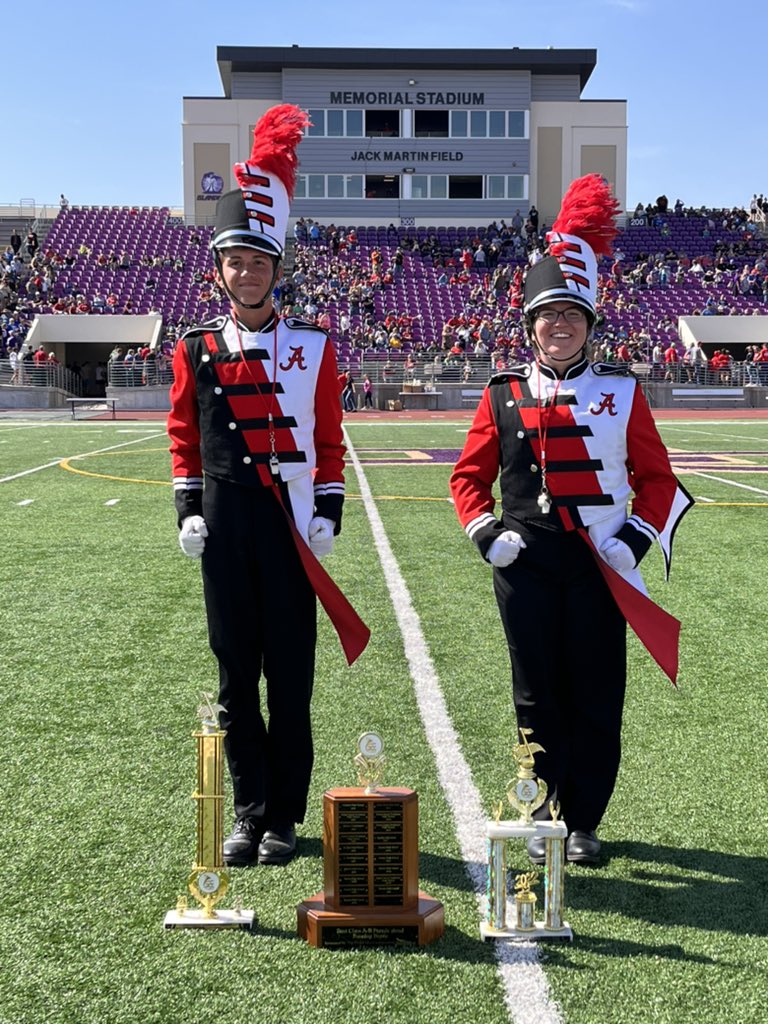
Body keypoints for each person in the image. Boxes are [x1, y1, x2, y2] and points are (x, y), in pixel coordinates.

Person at [449, 175, 693, 867]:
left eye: (571, 316)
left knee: (595, 693)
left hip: (597, 570)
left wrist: (633, 541)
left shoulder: (620, 390)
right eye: (547, 316)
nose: (559, 327)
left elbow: (657, 479)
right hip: (523, 568)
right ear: (529, 326)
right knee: (534, 695)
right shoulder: (502, 394)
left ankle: (584, 818)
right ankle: (543, 809)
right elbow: (468, 478)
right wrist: (486, 532)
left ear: (589, 323)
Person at [167, 105, 368, 870]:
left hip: (288, 526)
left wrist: (326, 511)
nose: (247, 274)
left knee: (290, 674)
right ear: (219, 270)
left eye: (259, 262)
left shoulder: (314, 346)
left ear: (277, 268)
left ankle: (284, 813)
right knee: (232, 673)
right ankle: (247, 812)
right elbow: (184, 434)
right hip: (225, 522)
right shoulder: (197, 347)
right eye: (234, 262)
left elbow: (326, 437)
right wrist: (188, 506)